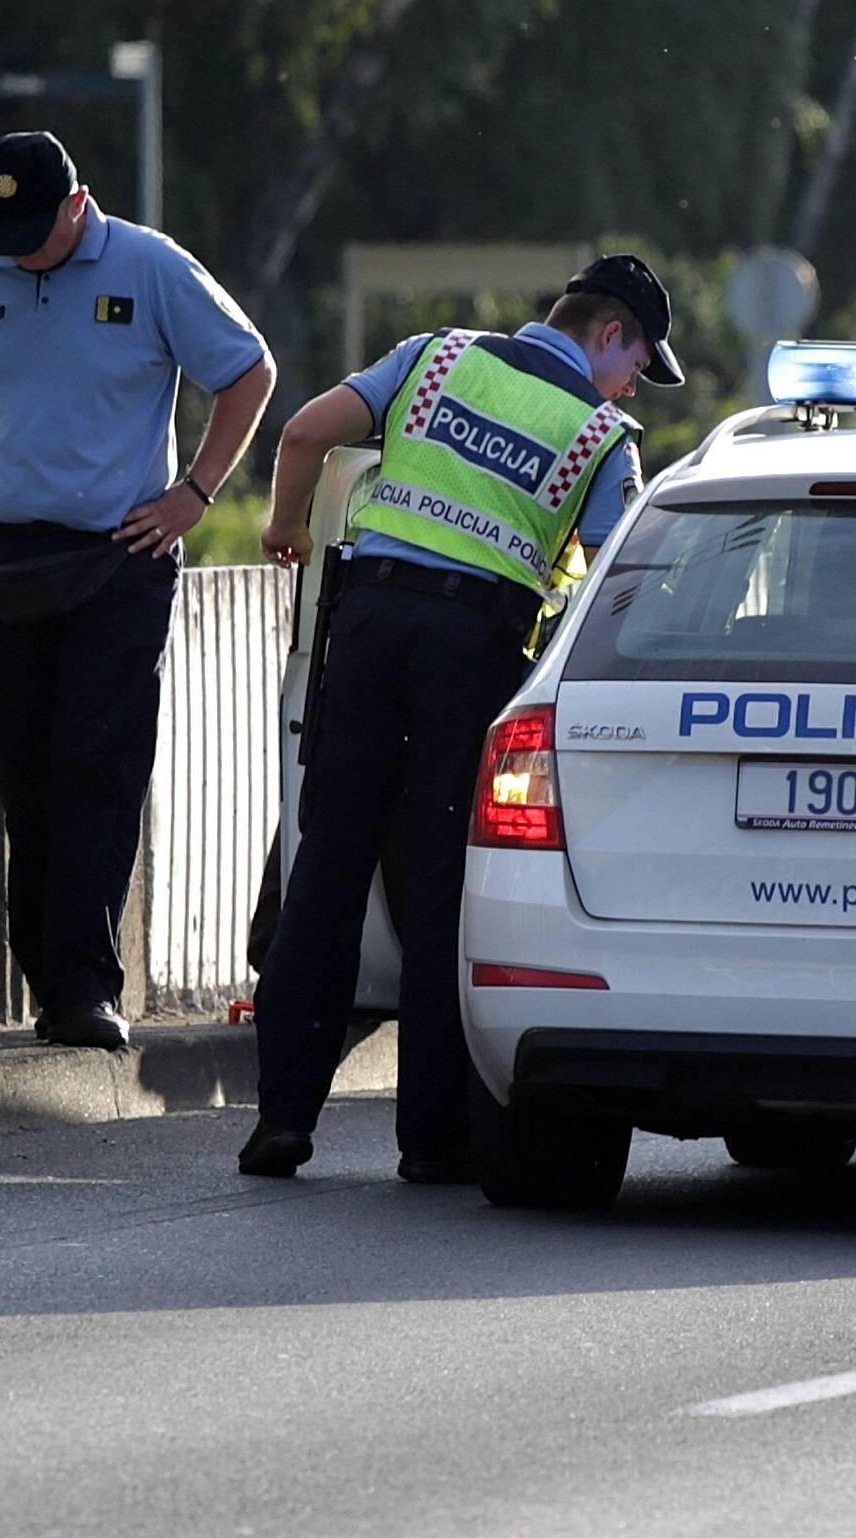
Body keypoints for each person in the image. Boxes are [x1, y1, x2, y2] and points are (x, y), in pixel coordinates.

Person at [241, 254, 679, 1181]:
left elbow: (307, 432)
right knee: (443, 889)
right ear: (609, 336)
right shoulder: (605, 438)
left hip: (366, 626)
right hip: (472, 652)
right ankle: (431, 1140)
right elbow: (616, 592)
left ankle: (280, 1120)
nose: (635, 381)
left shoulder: (434, 358)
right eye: (638, 360)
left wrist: (285, 527)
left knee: (327, 866)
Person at [0, 131, 275, 1051]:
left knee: (95, 763)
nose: (19, 251)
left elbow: (248, 370)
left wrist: (196, 492)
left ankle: (81, 987)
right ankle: (47, 973)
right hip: (4, 557)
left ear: (79, 205)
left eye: (36, 229)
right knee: (24, 770)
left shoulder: (149, 268)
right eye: (5, 234)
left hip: (120, 554)